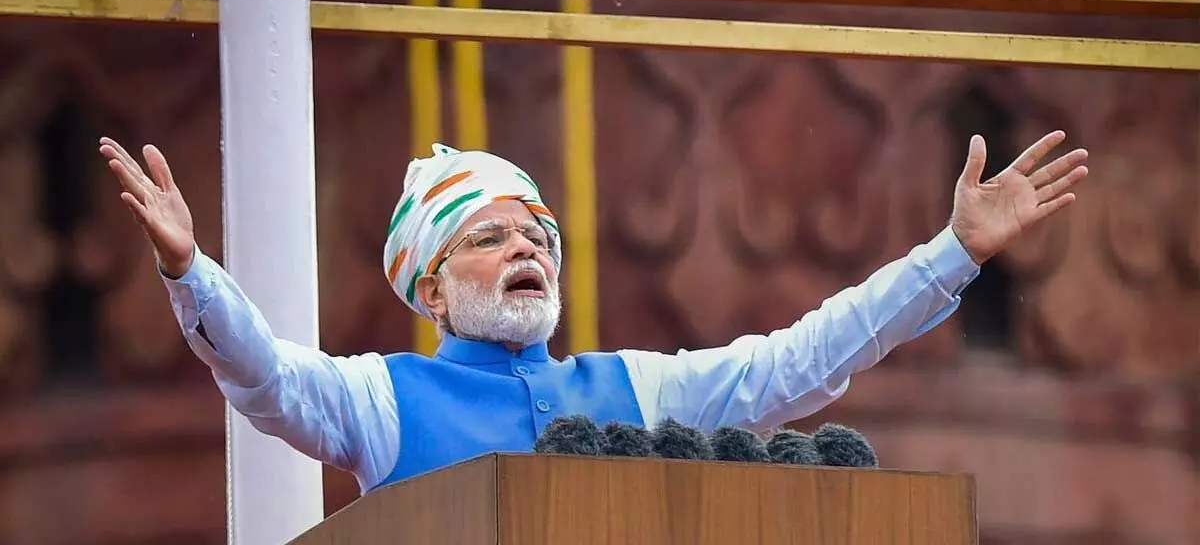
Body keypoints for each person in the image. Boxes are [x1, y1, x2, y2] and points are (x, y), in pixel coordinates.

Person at [98, 131, 1087, 494]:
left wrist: (952, 253)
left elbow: (802, 362)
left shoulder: (634, 388)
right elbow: (266, 378)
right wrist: (190, 270)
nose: (525, 250)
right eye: (488, 239)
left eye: (537, 237)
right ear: (431, 286)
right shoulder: (380, 400)